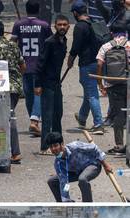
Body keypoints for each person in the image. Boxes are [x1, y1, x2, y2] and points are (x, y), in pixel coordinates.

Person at [11, 0, 53, 137]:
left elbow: (12, 44)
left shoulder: (18, 25)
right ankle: (34, 121)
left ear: (26, 9)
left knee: (29, 94)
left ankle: (33, 121)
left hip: (23, 64)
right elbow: (51, 43)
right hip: (40, 65)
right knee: (37, 93)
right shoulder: (44, 25)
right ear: (39, 10)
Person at [0, 21, 26, 164]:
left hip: (2, 89)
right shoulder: (14, 46)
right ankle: (3, 149)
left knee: (9, 118)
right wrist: (16, 79)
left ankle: (15, 152)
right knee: (6, 118)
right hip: (15, 88)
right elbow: (23, 66)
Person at [35, 15, 70, 154]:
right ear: (55, 26)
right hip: (47, 84)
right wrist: (37, 84)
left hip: (56, 84)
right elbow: (40, 64)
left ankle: (58, 145)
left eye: (65, 24)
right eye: (59, 24)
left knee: (58, 114)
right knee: (47, 116)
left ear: (68, 26)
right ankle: (45, 147)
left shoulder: (64, 41)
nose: (62, 27)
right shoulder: (49, 42)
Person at [45, 132, 113, 202]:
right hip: (76, 172)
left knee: (82, 179)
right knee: (52, 181)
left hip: (92, 165)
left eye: (55, 145)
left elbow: (94, 148)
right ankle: (64, 205)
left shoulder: (75, 146)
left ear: (62, 144)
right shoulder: (58, 163)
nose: (53, 149)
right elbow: (63, 182)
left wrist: (105, 165)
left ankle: (87, 207)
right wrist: (66, 200)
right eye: (51, 147)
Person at [69, 2, 104, 135]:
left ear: (75, 13)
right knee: (89, 93)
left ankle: (98, 123)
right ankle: (82, 118)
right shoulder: (93, 23)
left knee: (92, 94)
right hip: (98, 62)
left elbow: (75, 46)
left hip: (87, 64)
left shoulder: (80, 26)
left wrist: (70, 60)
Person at [96, 21, 128, 155]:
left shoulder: (105, 46)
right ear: (126, 32)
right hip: (128, 83)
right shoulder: (129, 45)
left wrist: (100, 84)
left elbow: (99, 65)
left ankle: (119, 146)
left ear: (111, 33)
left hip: (112, 85)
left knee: (118, 115)